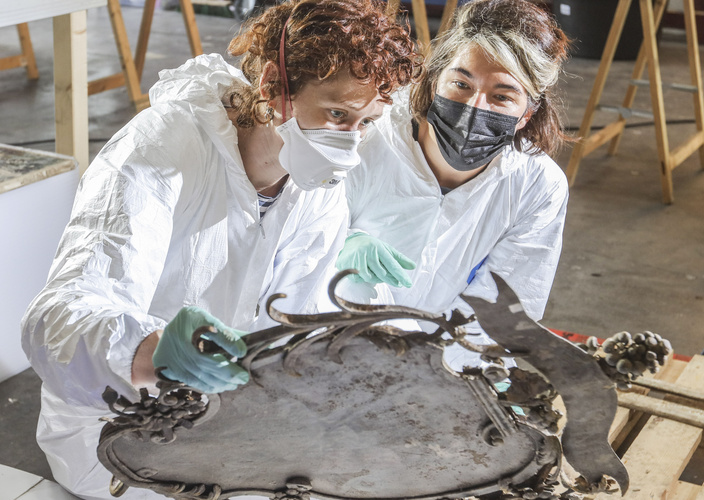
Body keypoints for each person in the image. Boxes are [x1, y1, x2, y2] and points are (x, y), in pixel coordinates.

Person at [20, 0, 419, 498]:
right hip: (115, 429)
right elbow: (55, 320)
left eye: (366, 123)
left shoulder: (318, 192)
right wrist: (149, 351)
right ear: (276, 86)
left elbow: (293, 331)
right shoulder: (159, 147)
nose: (350, 143)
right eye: (337, 113)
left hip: (227, 421)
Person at [338, 0, 571, 349]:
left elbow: (505, 310)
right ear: (434, 81)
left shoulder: (536, 186)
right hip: (330, 341)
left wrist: (452, 378)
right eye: (461, 85)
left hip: (444, 366)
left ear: (527, 114)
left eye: (502, 96)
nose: (475, 107)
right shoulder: (367, 133)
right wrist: (337, 244)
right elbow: (291, 246)